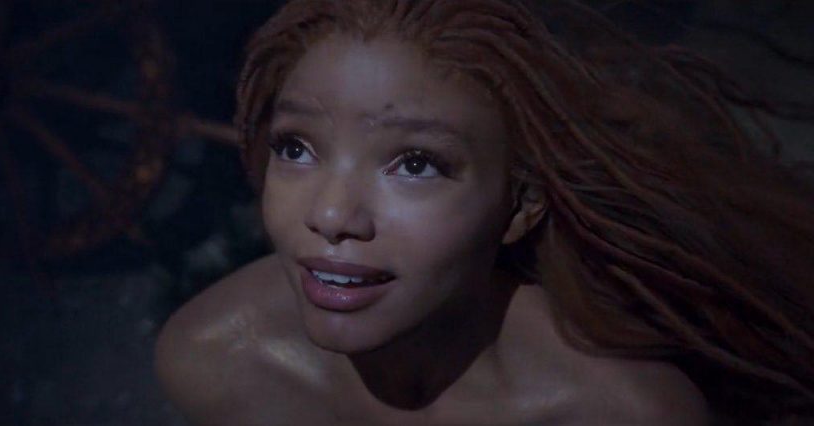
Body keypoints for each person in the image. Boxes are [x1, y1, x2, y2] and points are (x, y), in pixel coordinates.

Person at [155, 1, 814, 424]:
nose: (330, 214)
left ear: (522, 201)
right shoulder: (214, 360)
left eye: (416, 164)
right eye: (296, 148)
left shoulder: (617, 411)